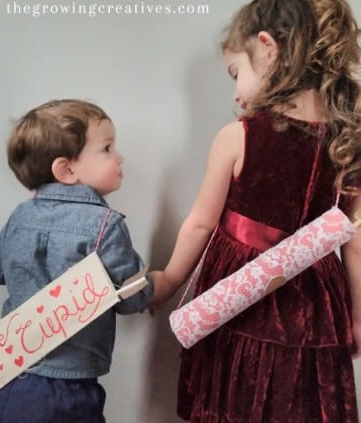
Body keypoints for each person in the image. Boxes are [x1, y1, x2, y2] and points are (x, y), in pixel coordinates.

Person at [151, 0, 361, 421]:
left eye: (236, 73)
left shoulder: (237, 137)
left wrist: (170, 279)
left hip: (238, 297)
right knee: (301, 401)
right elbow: (355, 245)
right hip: (315, 307)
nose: (234, 91)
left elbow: (201, 222)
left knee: (239, 398)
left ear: (267, 48)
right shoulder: (347, 143)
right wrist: (357, 316)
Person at [0, 99, 153, 422]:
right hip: (68, 389)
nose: (120, 156)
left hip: (8, 376)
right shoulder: (106, 226)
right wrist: (158, 282)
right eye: (107, 148)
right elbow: (132, 299)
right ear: (66, 169)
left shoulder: (20, 216)